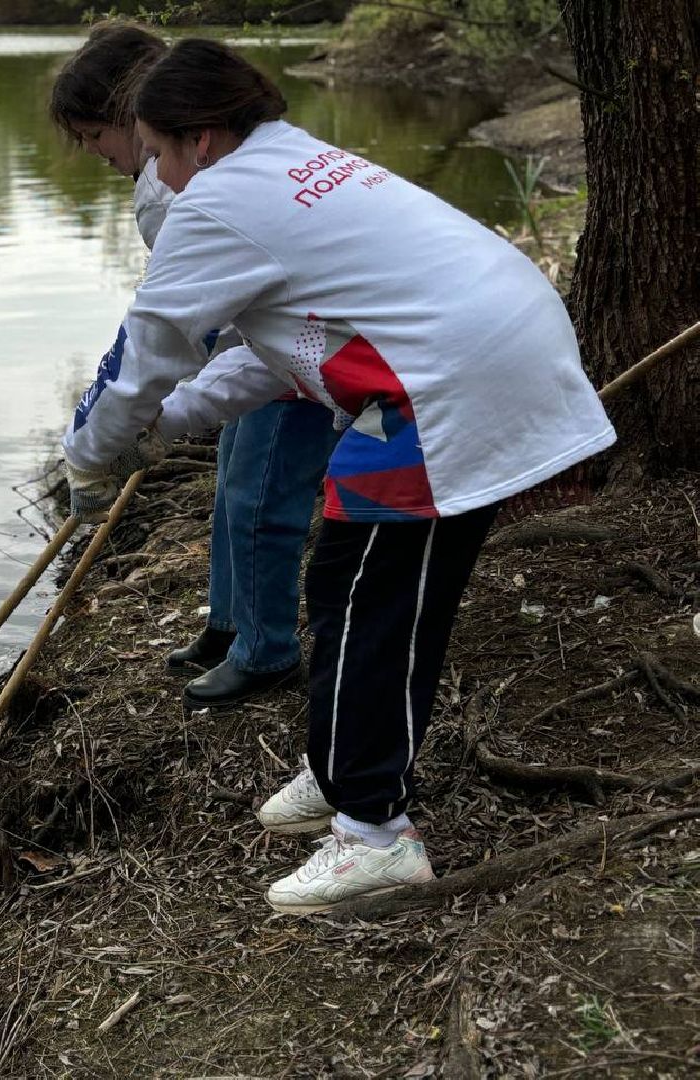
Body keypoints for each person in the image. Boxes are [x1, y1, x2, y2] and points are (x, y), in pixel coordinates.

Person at [62, 38, 615, 912]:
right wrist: (165, 430)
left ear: (200, 139)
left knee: (367, 595)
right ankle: (342, 768)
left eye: (160, 152)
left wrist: (88, 455)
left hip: (447, 380)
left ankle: (373, 834)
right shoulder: (290, 159)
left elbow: (145, 353)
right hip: (453, 358)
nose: (157, 177)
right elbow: (287, 353)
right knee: (364, 588)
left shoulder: (218, 202)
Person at [49, 22, 338, 708]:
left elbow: (182, 322)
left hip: (289, 356)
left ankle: (264, 649)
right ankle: (227, 623)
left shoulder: (165, 189)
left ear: (131, 116)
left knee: (257, 498)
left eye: (95, 137)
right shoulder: (207, 161)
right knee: (233, 492)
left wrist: (110, 436)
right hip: (264, 353)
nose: (96, 154)